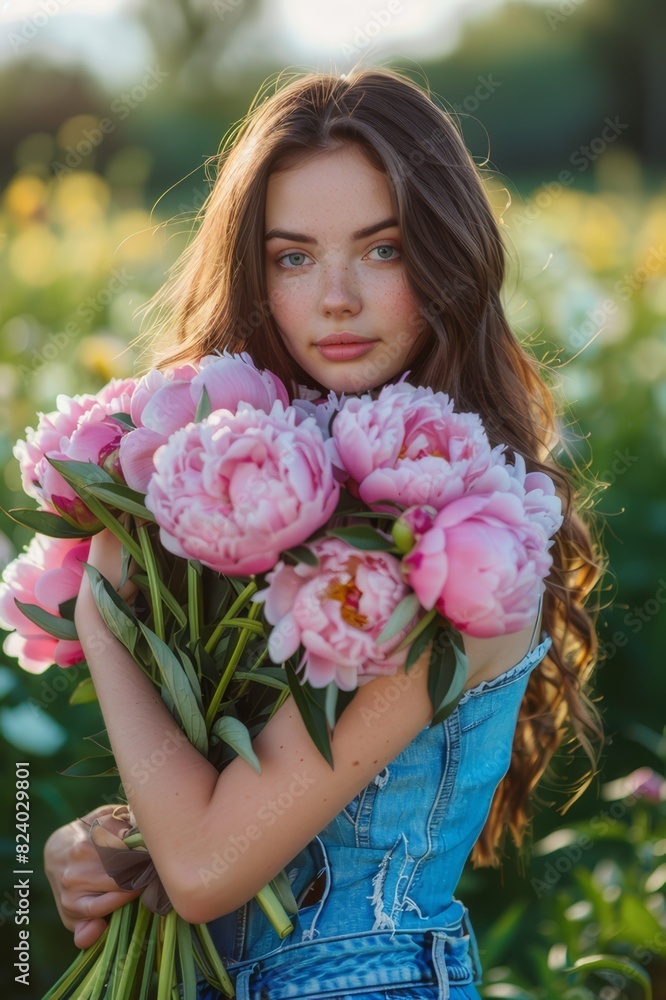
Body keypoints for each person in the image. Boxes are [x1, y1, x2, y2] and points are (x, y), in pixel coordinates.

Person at [44, 67, 607, 999]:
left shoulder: (467, 552)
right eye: (293, 257)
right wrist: (107, 841)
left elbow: (205, 869)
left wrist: (100, 610)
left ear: (447, 258)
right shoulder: (251, 501)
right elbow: (215, 814)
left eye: (382, 251)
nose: (336, 298)